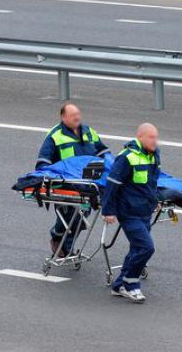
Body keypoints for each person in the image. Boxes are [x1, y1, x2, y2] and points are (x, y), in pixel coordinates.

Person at [36, 103, 110, 257]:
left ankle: (65, 246)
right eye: (72, 115)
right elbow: (43, 163)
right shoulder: (55, 136)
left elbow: (104, 152)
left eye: (78, 113)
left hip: (88, 183)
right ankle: (59, 239)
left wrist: (113, 166)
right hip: (66, 185)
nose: (77, 117)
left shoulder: (89, 132)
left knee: (81, 218)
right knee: (71, 216)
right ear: (63, 117)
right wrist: (51, 178)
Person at [102, 123, 161, 303]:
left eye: (156, 137)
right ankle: (131, 285)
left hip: (145, 211)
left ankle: (118, 285)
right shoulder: (127, 158)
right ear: (140, 137)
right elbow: (112, 184)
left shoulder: (153, 155)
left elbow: (151, 182)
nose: (155, 141)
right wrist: (108, 210)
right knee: (146, 247)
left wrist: (155, 200)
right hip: (129, 212)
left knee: (137, 248)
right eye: (151, 137)